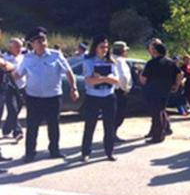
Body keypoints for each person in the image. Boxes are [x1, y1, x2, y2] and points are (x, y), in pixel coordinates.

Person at [16, 27, 79, 162]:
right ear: (32, 44)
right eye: (38, 41)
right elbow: (18, 74)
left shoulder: (56, 55)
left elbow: (68, 72)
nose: (42, 43)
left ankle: (54, 150)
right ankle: (30, 153)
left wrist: (74, 88)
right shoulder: (27, 58)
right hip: (33, 98)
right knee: (32, 126)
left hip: (53, 97)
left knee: (53, 125)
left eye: (43, 40)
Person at [81, 35, 119, 162]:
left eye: (107, 47)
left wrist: (101, 78)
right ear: (95, 48)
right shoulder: (89, 61)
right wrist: (105, 78)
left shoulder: (111, 61)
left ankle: (109, 152)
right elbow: (89, 81)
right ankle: (86, 152)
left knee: (109, 126)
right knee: (90, 125)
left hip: (109, 96)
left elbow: (116, 80)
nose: (105, 49)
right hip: (93, 97)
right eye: (102, 47)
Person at [140, 42, 183, 144]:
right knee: (162, 111)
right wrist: (176, 85)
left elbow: (143, 79)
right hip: (165, 90)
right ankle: (164, 130)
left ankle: (158, 136)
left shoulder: (151, 63)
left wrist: (141, 77)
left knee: (156, 114)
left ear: (155, 51)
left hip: (153, 90)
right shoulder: (170, 62)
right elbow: (180, 74)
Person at [2, 38, 26, 142]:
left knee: (18, 108)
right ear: (11, 47)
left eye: (20, 46)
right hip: (9, 87)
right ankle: (17, 132)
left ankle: (7, 128)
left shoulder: (24, 57)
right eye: (17, 47)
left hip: (22, 87)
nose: (19, 49)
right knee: (13, 109)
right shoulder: (4, 57)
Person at [112, 41, 133, 143]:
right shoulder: (120, 61)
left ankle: (111, 134)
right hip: (119, 91)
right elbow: (123, 77)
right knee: (119, 114)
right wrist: (125, 88)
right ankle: (113, 134)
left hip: (112, 90)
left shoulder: (110, 59)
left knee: (113, 114)